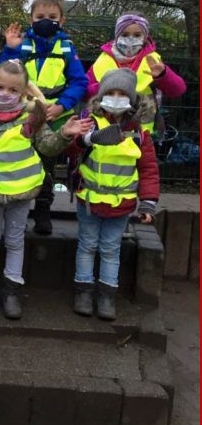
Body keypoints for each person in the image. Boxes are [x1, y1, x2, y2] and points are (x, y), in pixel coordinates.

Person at [0, 60, 92, 319]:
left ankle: (11, 291)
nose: (5, 94)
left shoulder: (32, 118)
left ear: (24, 93)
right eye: (0, 87)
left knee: (15, 240)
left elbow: (48, 147)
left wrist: (64, 133)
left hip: (21, 192)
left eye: (13, 90)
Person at [72, 69, 159, 320]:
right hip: (89, 199)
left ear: (131, 100)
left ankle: (107, 296)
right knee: (87, 245)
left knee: (111, 249)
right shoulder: (89, 122)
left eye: (123, 94)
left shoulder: (140, 132)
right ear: (101, 96)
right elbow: (70, 149)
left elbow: (149, 169)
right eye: (111, 93)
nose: (117, 98)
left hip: (122, 204)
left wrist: (148, 204)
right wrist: (85, 139)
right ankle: (83, 291)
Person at [0, 0, 88, 235]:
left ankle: (42, 210)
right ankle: (14, 208)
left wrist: (60, 105)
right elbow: (4, 74)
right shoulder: (22, 45)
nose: (45, 20)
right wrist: (9, 49)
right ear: (31, 18)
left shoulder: (67, 48)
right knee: (17, 161)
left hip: (53, 115)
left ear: (61, 20)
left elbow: (79, 82)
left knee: (46, 167)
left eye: (52, 16)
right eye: (40, 16)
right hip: (24, 113)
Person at [86, 12, 186, 133]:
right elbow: (85, 93)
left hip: (140, 131)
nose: (130, 39)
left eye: (137, 35)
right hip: (104, 127)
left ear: (145, 36)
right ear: (117, 35)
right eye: (125, 34)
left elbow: (178, 90)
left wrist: (163, 75)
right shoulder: (103, 60)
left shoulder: (153, 60)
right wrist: (104, 87)